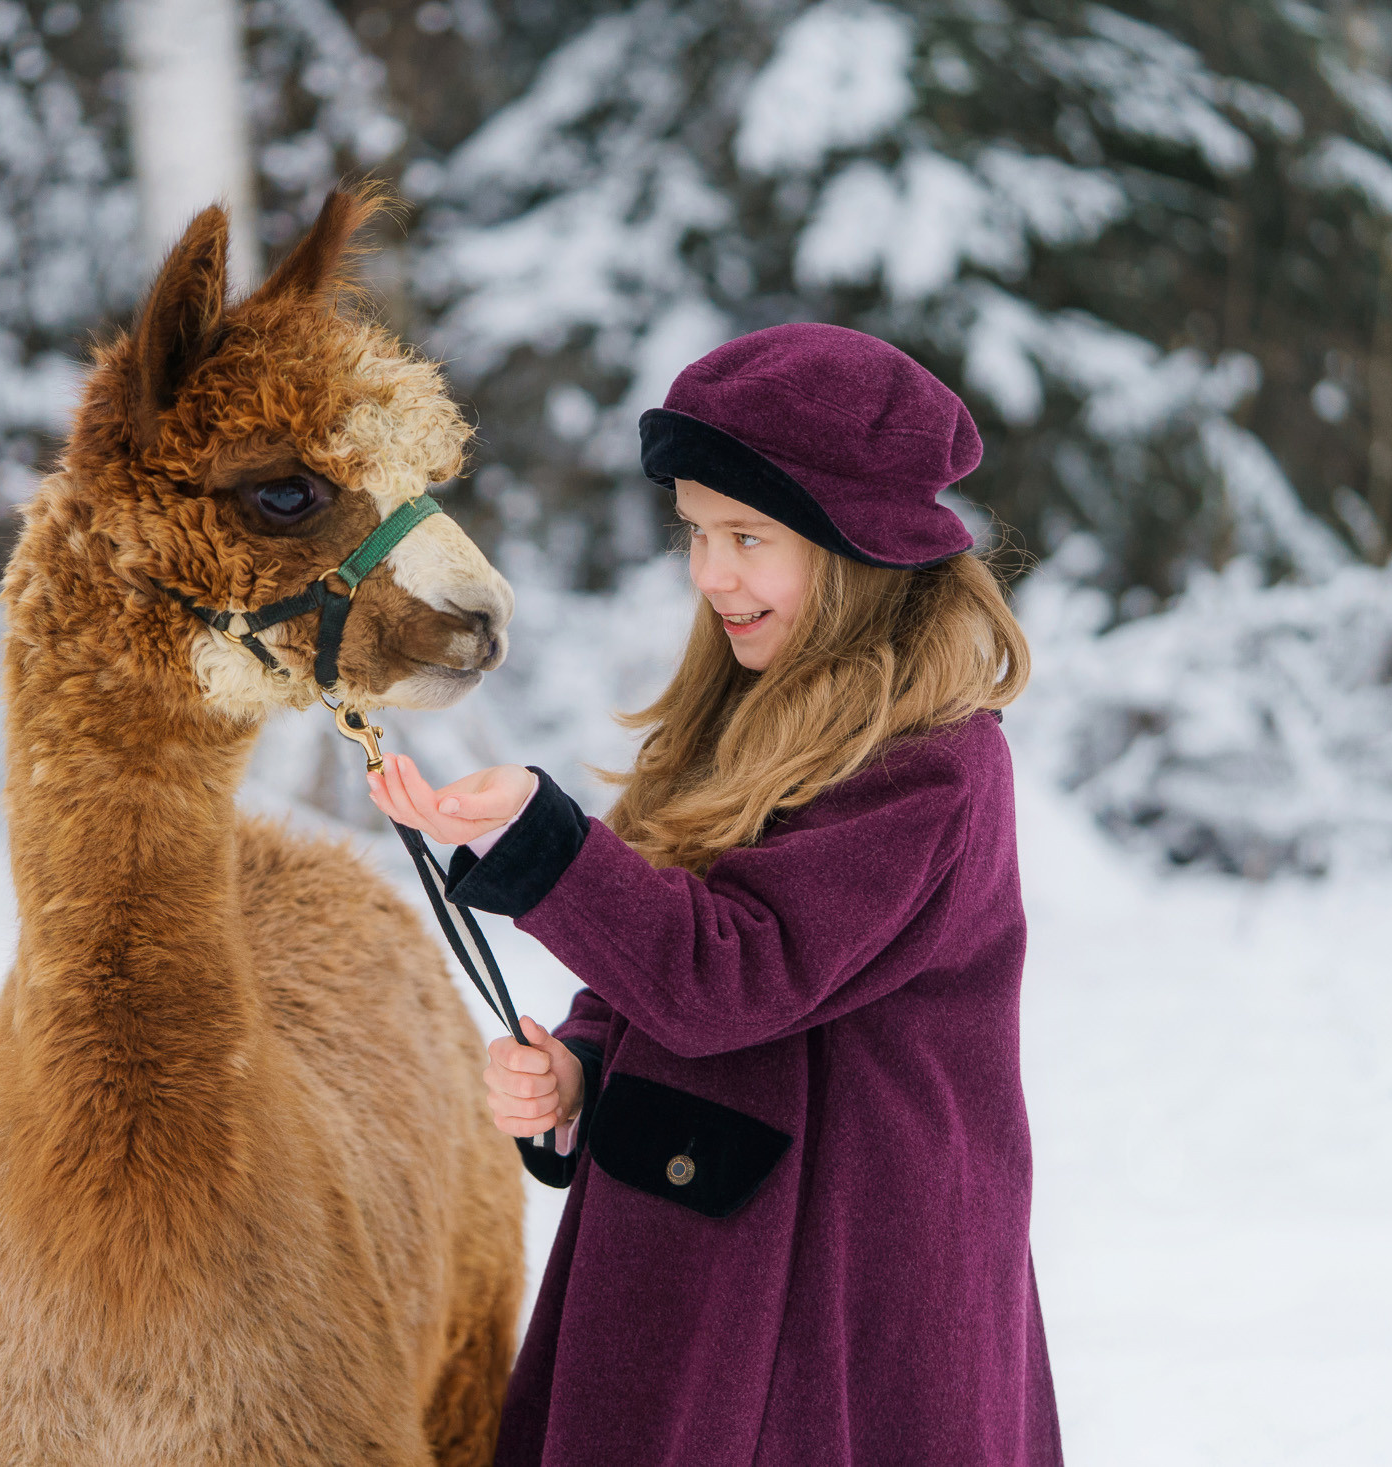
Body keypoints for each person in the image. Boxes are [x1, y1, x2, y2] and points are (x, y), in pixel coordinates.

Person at [367, 323, 1063, 1467]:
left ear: (858, 545)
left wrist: (542, 845)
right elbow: (651, 948)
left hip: (843, 1281)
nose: (711, 574)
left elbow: (733, 972)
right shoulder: (735, 712)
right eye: (695, 533)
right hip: (698, 1241)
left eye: (748, 536)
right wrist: (582, 1069)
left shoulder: (929, 767)